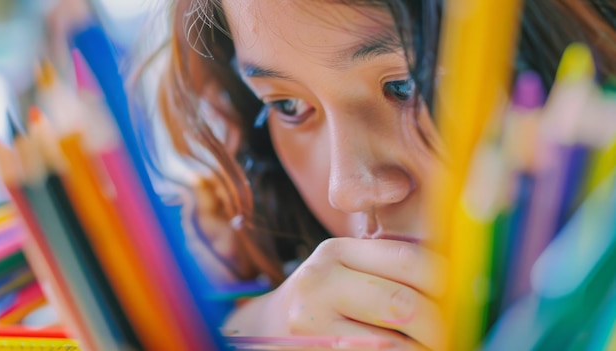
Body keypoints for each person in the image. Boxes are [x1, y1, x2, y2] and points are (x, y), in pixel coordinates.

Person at [149, 0, 616, 349]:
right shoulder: (212, 244)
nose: (348, 190)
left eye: (406, 85)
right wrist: (256, 328)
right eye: (288, 106)